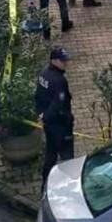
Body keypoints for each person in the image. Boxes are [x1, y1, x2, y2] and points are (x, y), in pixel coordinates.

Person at [35, 48, 74, 189]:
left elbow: (38, 96)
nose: (65, 63)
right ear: (54, 60)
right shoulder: (59, 81)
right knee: (68, 159)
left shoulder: (43, 74)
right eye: (62, 61)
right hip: (61, 125)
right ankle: (70, 187)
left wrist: (41, 114)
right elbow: (58, 104)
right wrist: (47, 116)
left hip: (49, 125)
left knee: (50, 155)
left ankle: (44, 185)